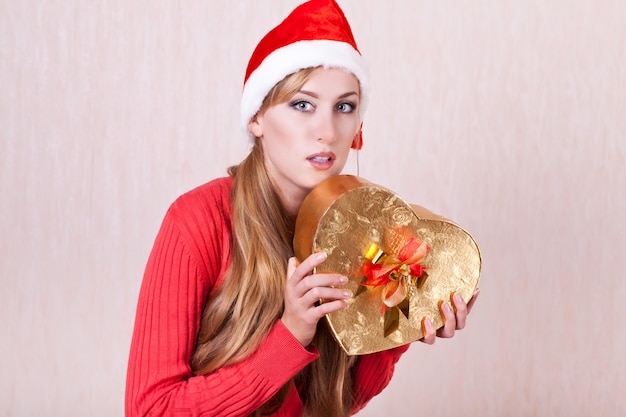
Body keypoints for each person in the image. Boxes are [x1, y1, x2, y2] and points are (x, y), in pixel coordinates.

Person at [125, 1, 479, 416]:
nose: (327, 132)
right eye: (302, 105)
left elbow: (331, 404)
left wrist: (398, 322)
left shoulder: (359, 227)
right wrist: (289, 336)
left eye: (344, 107)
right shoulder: (197, 222)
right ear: (257, 116)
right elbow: (149, 410)